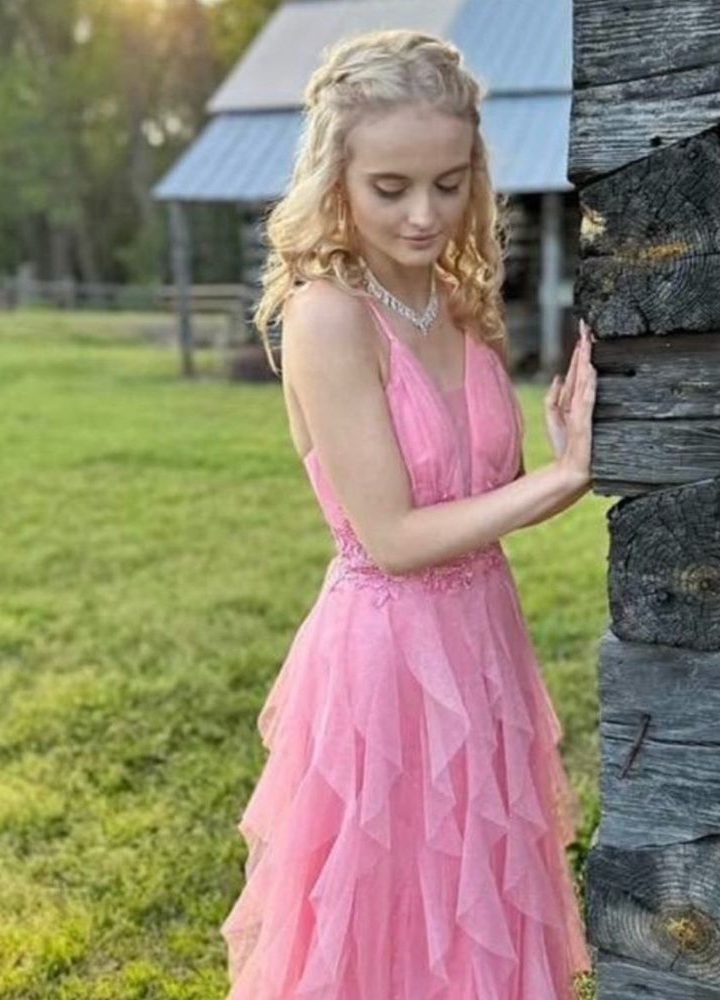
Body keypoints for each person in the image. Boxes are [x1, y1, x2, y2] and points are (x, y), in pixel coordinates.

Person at [222, 29, 596, 1000]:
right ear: (335, 175)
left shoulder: (461, 299)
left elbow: (486, 486)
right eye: (390, 187)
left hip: (483, 634)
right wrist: (560, 481)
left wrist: (557, 436)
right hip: (385, 660)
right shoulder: (327, 315)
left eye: (449, 180)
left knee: (479, 897)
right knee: (390, 917)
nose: (426, 214)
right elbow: (392, 538)